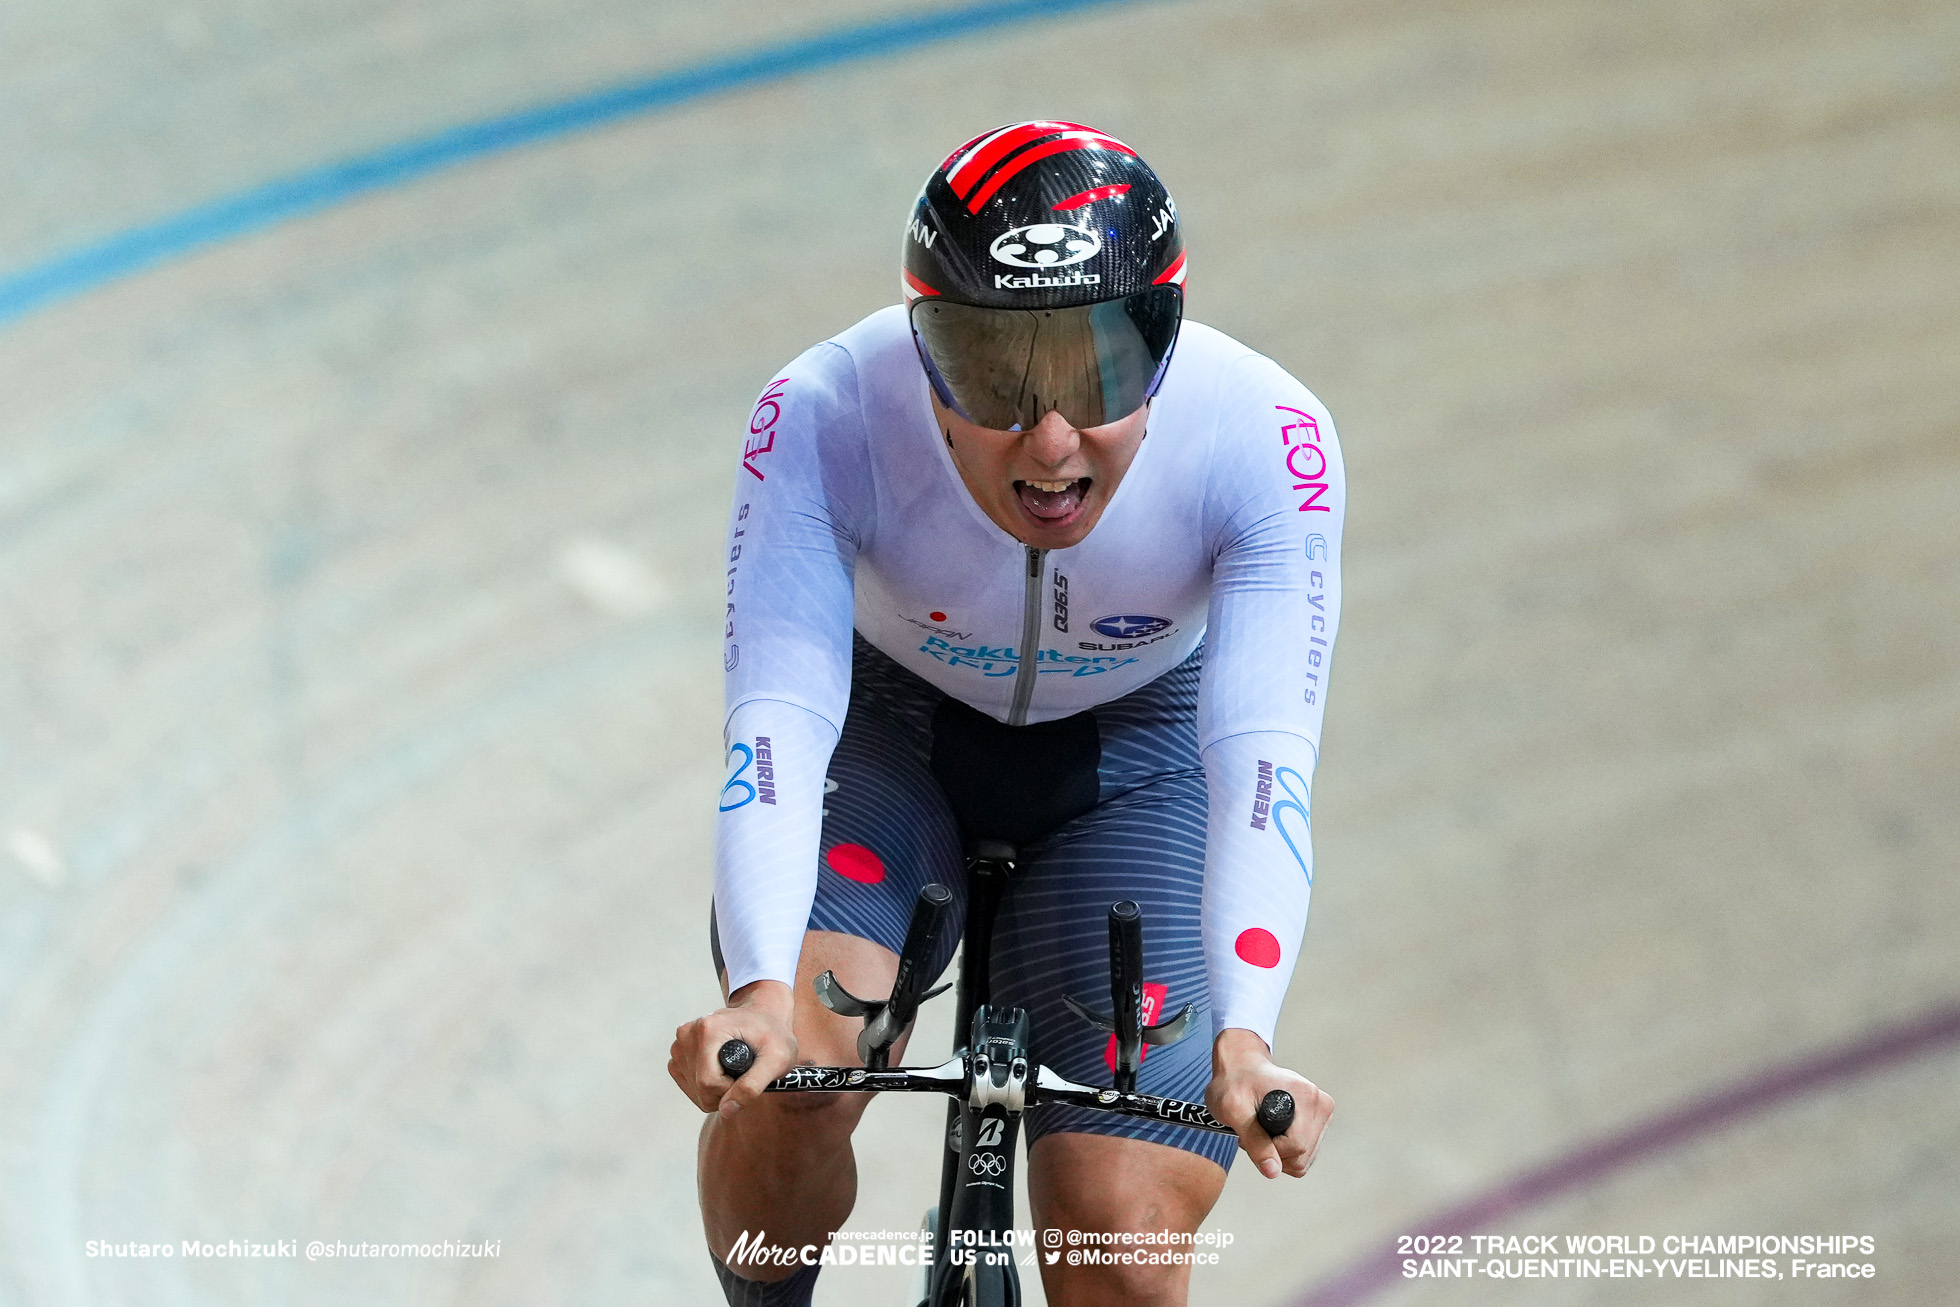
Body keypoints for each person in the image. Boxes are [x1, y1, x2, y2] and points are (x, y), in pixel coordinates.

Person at [669, 120, 1344, 1307]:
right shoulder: (825, 409)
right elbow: (775, 720)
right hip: (891, 738)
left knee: (1123, 1246)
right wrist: (761, 997)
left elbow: (1262, 762)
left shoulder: (1265, 435)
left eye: (1101, 377)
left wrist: (1246, 1032)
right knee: (793, 1087)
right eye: (992, 375)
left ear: (1166, 343)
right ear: (924, 351)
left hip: (1138, 769)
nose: (1048, 442)